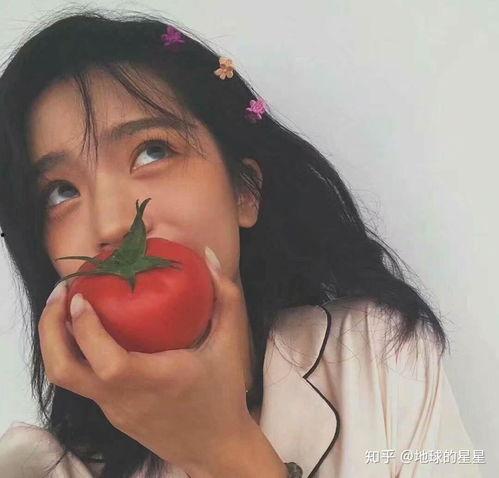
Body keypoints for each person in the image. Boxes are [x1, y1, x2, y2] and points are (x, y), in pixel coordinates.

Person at [0, 9, 482, 478]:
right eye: (60, 192)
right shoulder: (35, 468)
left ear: (244, 192)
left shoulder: (379, 352)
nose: (112, 224)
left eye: (152, 151)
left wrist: (223, 451)